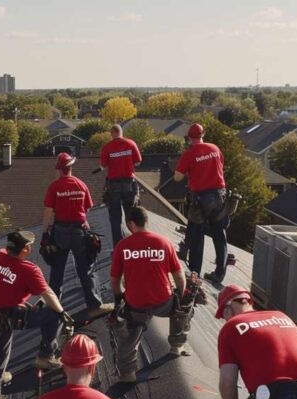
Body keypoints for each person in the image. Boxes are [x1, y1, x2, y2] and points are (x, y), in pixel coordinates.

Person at [0, 230, 72, 399]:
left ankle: (0, 375)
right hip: (3, 317)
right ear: (26, 249)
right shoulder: (29, 270)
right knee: (0, 353)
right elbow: (47, 292)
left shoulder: (1, 255)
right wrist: (61, 313)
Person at [110, 206, 192, 383]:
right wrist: (181, 296)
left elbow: (115, 280)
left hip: (136, 304)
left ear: (131, 224)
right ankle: (177, 346)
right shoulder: (164, 242)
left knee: (129, 331)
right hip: (163, 302)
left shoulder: (123, 246)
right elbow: (179, 276)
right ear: (146, 221)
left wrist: (119, 300)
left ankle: (127, 373)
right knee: (186, 304)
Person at [43, 152, 112, 318]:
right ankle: (95, 305)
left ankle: (54, 308)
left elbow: (48, 212)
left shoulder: (55, 187)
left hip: (60, 232)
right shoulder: (81, 185)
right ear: (71, 167)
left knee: (57, 271)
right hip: (79, 233)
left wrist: (45, 233)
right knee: (85, 270)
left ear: (59, 169)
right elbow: (86, 208)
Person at [174, 122, 229, 284]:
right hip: (219, 196)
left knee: (197, 236)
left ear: (189, 137)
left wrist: (186, 171)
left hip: (201, 199)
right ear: (203, 135)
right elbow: (221, 166)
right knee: (219, 235)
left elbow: (177, 177)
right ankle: (219, 273)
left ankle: (194, 275)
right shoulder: (215, 149)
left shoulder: (189, 154)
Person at [99, 124, 143, 246]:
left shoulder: (107, 147)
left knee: (115, 218)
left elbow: (103, 166)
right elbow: (138, 161)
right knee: (131, 215)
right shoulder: (131, 144)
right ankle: (136, 243)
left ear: (112, 133)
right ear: (121, 132)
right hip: (129, 184)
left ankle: (119, 246)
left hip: (114, 186)